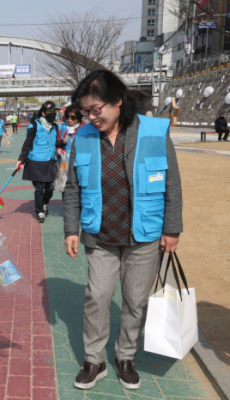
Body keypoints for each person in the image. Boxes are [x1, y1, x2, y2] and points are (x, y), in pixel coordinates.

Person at [63, 70, 183, 391]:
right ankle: (94, 360)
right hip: (100, 235)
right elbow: (72, 187)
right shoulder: (84, 137)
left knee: (134, 300)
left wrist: (172, 228)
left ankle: (125, 357)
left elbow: (171, 183)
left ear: (117, 101)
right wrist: (71, 229)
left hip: (144, 235)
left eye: (96, 109)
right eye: (86, 110)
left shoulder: (154, 132)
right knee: (96, 297)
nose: (90, 116)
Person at [16, 101, 61, 223]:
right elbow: (28, 142)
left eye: (54, 112)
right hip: (36, 162)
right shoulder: (35, 125)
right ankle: (39, 211)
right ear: (43, 112)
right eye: (49, 112)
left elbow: (53, 143)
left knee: (51, 188)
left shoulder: (55, 127)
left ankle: (44, 203)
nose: (52, 114)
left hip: (50, 161)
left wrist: (62, 143)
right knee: (39, 189)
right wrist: (21, 158)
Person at [55, 106, 84, 195]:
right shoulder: (60, 127)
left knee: (81, 187)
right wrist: (59, 150)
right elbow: (54, 144)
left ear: (79, 117)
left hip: (81, 163)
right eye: (67, 116)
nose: (69, 119)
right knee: (66, 188)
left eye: (73, 117)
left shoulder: (85, 128)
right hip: (64, 163)